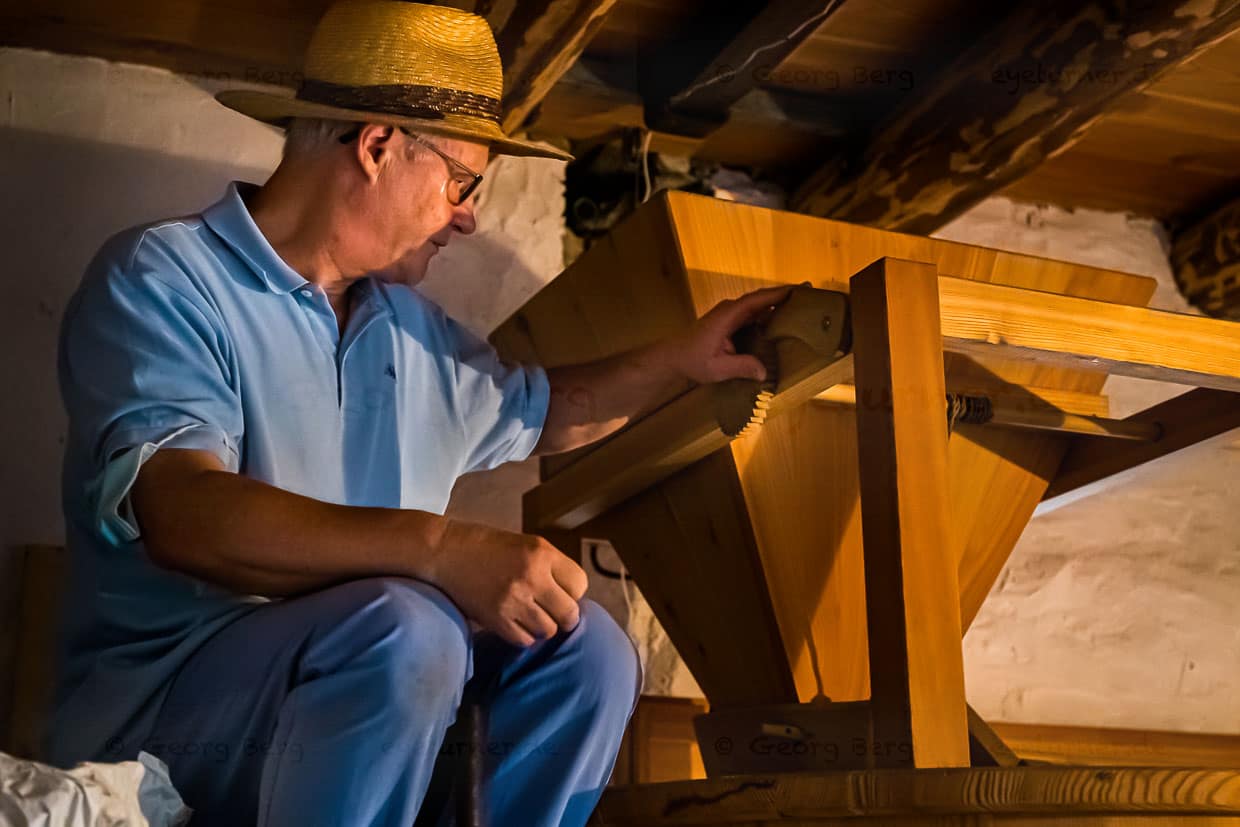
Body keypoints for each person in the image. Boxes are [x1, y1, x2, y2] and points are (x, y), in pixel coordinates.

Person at [48, 1, 789, 824]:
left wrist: (683, 361)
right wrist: (438, 549)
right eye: (462, 183)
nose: (469, 214)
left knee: (589, 651)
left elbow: (548, 411)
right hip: (169, 717)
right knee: (408, 624)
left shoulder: (411, 332)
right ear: (375, 147)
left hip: (367, 678)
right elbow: (185, 515)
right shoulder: (166, 278)